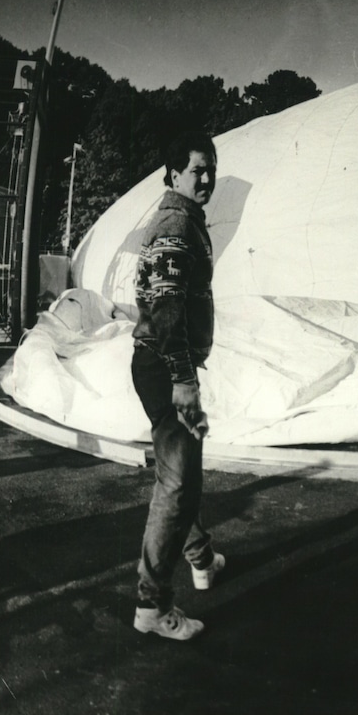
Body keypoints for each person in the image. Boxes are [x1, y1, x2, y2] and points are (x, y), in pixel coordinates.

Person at [131, 132, 224, 640]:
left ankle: (202, 558)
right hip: (165, 367)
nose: (206, 179)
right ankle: (152, 606)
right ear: (172, 175)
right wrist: (184, 380)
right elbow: (166, 308)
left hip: (162, 363)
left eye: (210, 169)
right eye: (196, 171)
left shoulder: (185, 219)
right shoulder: (175, 223)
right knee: (178, 482)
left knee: (183, 469)